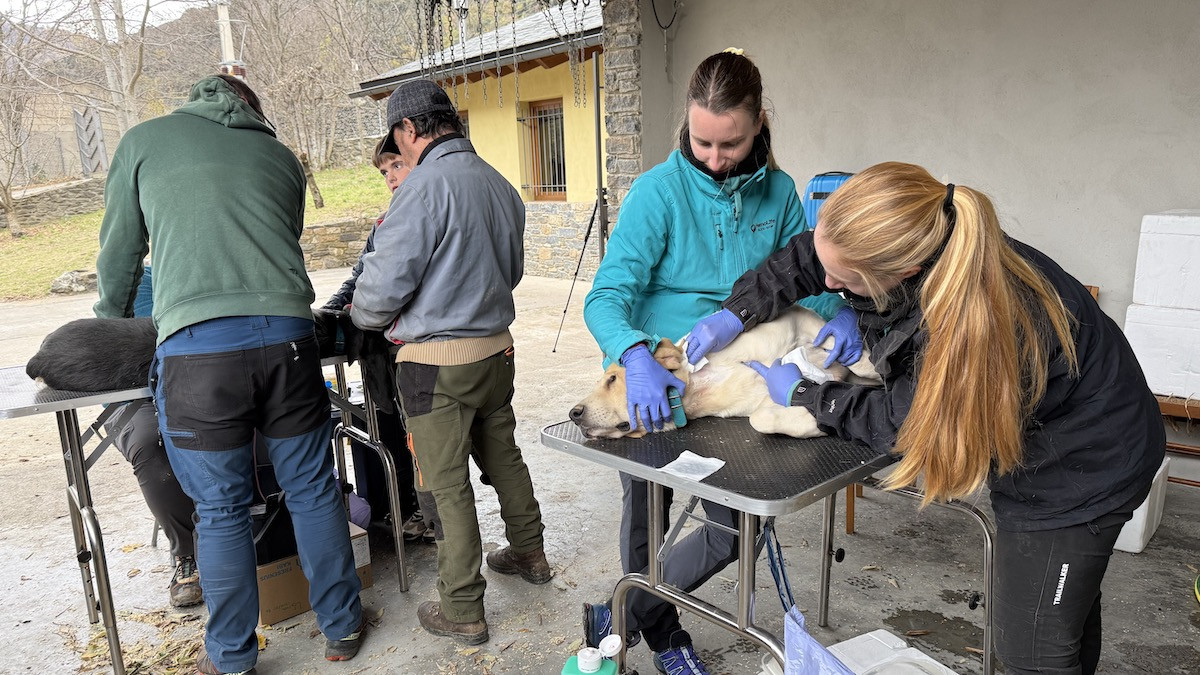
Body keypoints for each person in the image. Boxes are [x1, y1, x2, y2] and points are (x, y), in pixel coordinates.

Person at [691, 161, 1165, 675]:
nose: (825, 283)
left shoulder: (979, 321)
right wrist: (736, 312)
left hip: (1083, 464)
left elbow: (915, 424)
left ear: (904, 273)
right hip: (1069, 428)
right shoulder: (922, 231)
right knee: (1061, 624)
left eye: (844, 282)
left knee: (1031, 651)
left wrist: (810, 396)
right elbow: (808, 260)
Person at [580, 49, 860, 675]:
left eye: (728, 144)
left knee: (739, 530)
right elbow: (607, 294)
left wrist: (843, 311)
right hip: (659, 386)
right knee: (647, 518)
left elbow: (804, 281)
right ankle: (663, 636)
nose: (712, 158)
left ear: (759, 122)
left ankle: (619, 614)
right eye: (701, 142)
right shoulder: (658, 192)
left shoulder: (783, 193)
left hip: (739, 388)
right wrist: (633, 353)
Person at [94, 75, 364, 675]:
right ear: (253, 111)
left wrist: (115, 325)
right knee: (314, 491)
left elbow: (119, 255)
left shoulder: (142, 141)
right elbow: (279, 238)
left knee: (219, 510)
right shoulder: (281, 157)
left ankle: (234, 658)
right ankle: (343, 629)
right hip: (290, 343)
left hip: (198, 354)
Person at [350, 78, 550, 647]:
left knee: (444, 486)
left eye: (398, 142)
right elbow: (509, 271)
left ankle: (462, 608)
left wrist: (365, 312)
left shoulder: (420, 190)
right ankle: (531, 554)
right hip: (496, 353)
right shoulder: (500, 184)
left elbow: (379, 294)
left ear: (409, 131)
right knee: (503, 456)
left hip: (437, 365)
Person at [324, 137, 433, 544]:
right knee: (387, 430)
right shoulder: (383, 223)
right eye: (384, 172)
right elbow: (360, 277)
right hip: (381, 355)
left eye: (396, 166)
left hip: (415, 350)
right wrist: (332, 312)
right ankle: (402, 509)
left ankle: (429, 515)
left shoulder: (426, 213)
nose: (389, 177)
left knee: (420, 437)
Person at [104, 266, 201, 608]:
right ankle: (188, 553)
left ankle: (257, 535)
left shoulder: (206, 273)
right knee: (149, 442)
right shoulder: (135, 282)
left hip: (192, 380)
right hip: (131, 391)